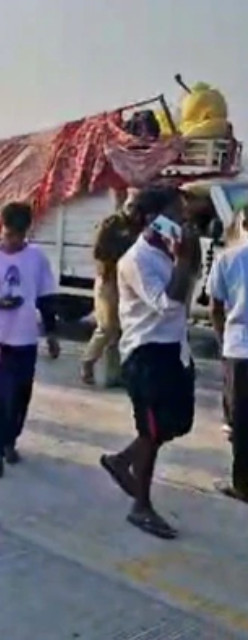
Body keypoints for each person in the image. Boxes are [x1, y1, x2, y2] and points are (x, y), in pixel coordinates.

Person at [99, 185, 199, 540]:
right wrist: (184, 260)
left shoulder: (167, 252)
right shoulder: (136, 260)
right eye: (174, 215)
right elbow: (167, 304)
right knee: (152, 431)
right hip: (147, 354)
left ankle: (121, 460)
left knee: (176, 424)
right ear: (153, 220)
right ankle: (141, 506)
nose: (181, 221)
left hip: (172, 349)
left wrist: (185, 256)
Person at [0, 202, 60, 477]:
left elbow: (46, 298)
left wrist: (51, 333)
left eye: (19, 235)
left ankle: (11, 440)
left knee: (20, 397)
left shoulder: (37, 258)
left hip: (25, 339)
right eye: (9, 234)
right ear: (0, 229)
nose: (13, 241)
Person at [81, 188, 144, 387]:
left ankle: (114, 375)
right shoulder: (111, 224)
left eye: (137, 207)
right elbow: (98, 252)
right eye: (130, 206)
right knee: (107, 326)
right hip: (108, 280)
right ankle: (88, 361)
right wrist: (107, 272)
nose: (133, 211)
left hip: (128, 282)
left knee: (119, 331)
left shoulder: (140, 226)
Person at [206, 205, 248, 503]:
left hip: (239, 348)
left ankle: (242, 485)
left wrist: (223, 341)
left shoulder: (228, 260)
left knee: (241, 421)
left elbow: (215, 307)